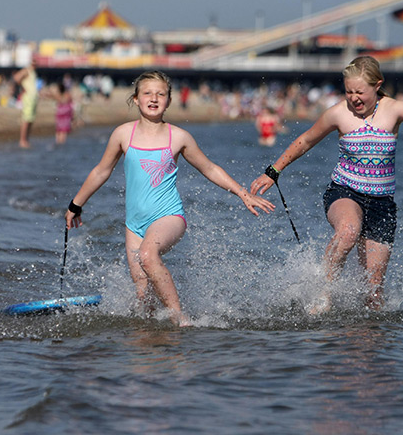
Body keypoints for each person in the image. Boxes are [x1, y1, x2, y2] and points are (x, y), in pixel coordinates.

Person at [250, 56, 403, 312]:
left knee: (373, 294)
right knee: (349, 230)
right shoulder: (338, 114)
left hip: (381, 204)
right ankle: (323, 290)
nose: (354, 98)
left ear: (377, 85)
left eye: (359, 92)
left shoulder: (393, 110)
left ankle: (366, 342)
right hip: (344, 192)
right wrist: (274, 171)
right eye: (349, 91)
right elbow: (305, 141)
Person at [65, 70, 275, 326]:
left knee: (148, 255)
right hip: (134, 224)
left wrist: (243, 194)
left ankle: (180, 319)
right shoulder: (122, 134)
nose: (154, 98)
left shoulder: (178, 137)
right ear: (135, 99)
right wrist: (76, 204)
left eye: (160, 94)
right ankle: (152, 348)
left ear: (169, 101)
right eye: (147, 93)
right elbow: (101, 171)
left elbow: (209, 168)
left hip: (168, 217)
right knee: (143, 295)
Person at [13, 59, 39, 148]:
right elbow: (16, 78)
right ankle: (22, 140)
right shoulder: (26, 70)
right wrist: (22, 86)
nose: (35, 64)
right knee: (26, 119)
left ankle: (26, 139)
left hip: (33, 98)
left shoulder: (33, 71)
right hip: (28, 98)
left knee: (30, 119)